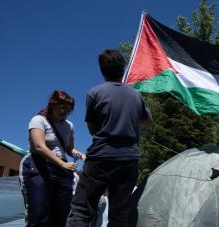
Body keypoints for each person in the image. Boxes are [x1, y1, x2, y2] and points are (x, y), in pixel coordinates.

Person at [66, 49, 151, 227]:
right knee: (119, 214)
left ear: (102, 70)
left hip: (100, 158)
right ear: (123, 68)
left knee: (82, 209)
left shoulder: (94, 93)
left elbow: (91, 128)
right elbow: (147, 121)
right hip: (128, 160)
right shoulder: (136, 95)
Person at [19, 90, 85, 227]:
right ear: (53, 104)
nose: (64, 112)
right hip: (39, 165)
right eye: (61, 107)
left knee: (61, 213)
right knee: (39, 212)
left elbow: (69, 148)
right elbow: (39, 146)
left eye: (68, 110)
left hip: (62, 171)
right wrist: (62, 164)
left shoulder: (69, 126)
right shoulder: (38, 120)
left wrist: (81, 155)